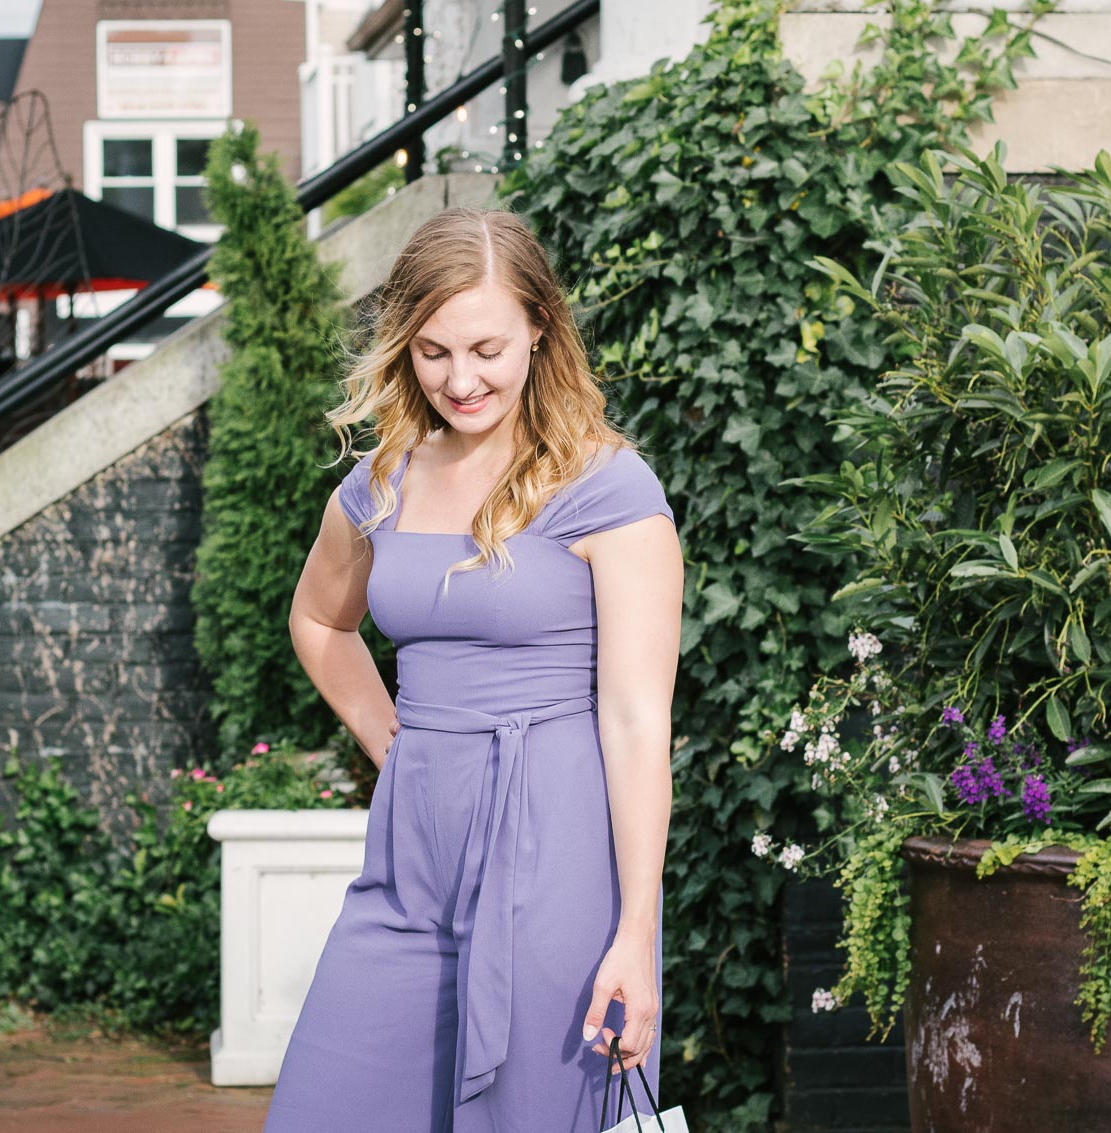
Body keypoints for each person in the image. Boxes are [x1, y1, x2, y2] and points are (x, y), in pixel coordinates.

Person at [266, 205, 683, 1132]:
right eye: (433, 351)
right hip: (411, 859)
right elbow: (318, 620)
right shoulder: (382, 481)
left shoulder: (609, 486)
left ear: (541, 327)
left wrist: (636, 934)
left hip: (556, 855)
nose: (462, 379)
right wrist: (391, 740)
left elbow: (635, 721)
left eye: (487, 348)